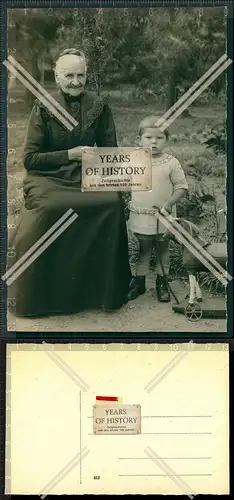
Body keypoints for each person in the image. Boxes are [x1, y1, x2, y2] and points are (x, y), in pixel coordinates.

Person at [8, 48, 131, 317]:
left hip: (88, 176)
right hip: (48, 177)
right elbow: (30, 159)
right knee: (51, 210)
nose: (75, 81)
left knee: (110, 204)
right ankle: (42, 297)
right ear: (57, 76)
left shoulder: (99, 105)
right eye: (69, 75)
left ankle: (100, 293)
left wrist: (120, 180)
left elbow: (110, 150)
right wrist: (68, 155)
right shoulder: (44, 107)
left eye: (81, 75)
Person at [128, 115, 188, 302]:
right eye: (148, 137)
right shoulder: (133, 159)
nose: (153, 142)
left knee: (163, 250)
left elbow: (181, 187)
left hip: (163, 216)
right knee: (143, 250)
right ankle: (140, 282)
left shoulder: (171, 162)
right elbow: (120, 178)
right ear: (139, 139)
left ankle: (162, 282)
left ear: (167, 140)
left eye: (159, 138)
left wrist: (169, 203)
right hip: (142, 216)